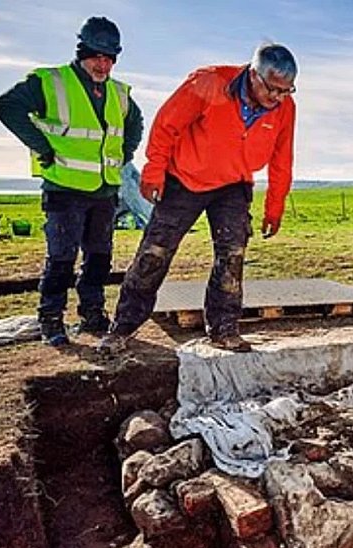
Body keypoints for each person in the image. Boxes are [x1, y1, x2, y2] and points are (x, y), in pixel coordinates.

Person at [96, 44, 297, 354]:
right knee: (155, 252)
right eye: (273, 89)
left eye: (286, 90)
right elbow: (166, 124)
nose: (279, 97)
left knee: (232, 256)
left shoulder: (285, 107)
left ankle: (224, 329)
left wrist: (275, 205)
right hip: (184, 179)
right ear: (253, 75)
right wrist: (154, 171)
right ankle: (122, 328)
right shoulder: (209, 82)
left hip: (233, 184)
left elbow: (282, 158)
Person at [0, 16, 144, 346]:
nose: (103, 65)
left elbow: (135, 123)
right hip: (64, 188)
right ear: (82, 53)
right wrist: (42, 146)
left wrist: (125, 153)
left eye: (110, 58)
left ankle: (93, 314)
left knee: (99, 258)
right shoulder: (52, 81)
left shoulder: (118, 92)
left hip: (104, 190)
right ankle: (51, 320)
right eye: (97, 57)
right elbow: (6, 106)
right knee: (61, 259)